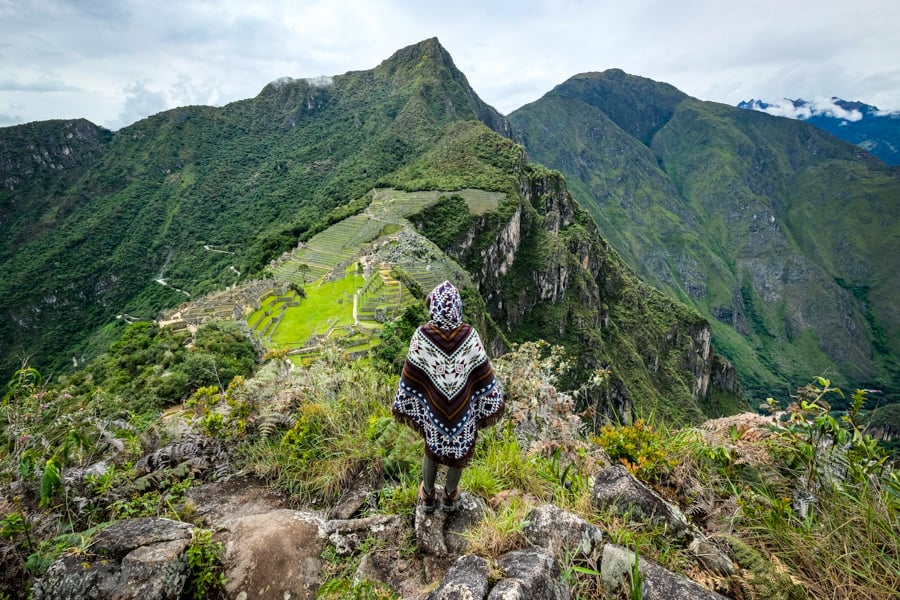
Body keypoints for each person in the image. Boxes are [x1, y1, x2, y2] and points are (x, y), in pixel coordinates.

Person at [392, 280, 505, 513]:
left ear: (434, 307)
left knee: (432, 446)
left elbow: (412, 374)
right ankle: (451, 495)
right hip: (462, 408)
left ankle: (428, 496)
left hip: (433, 407)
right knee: (460, 448)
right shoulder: (469, 335)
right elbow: (482, 372)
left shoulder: (422, 335)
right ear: (457, 307)